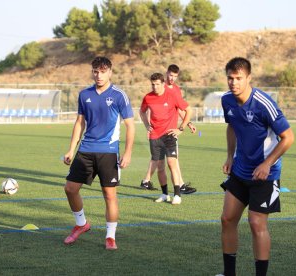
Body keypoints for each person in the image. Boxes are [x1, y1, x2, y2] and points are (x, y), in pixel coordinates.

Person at [218, 57, 294, 276]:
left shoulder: (263, 103)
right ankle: (229, 273)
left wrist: (266, 163)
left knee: (256, 223)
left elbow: (288, 137)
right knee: (227, 219)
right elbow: (231, 126)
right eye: (230, 78)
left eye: (238, 78)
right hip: (240, 170)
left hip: (266, 175)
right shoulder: (227, 100)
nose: (234, 83)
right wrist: (230, 157)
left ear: (249, 78)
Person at [62, 56, 135, 250]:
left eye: (103, 71)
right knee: (70, 189)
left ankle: (110, 236)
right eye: (95, 71)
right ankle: (81, 224)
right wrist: (71, 149)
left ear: (110, 72)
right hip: (85, 150)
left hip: (108, 152)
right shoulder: (84, 94)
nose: (99, 75)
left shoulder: (119, 95)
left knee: (109, 195)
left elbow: (130, 126)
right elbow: (80, 122)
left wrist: (127, 153)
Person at [140, 64, 197, 194]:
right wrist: (148, 125)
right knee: (160, 161)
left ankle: (148, 180)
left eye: (175, 76)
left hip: (170, 131)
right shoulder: (158, 89)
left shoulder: (175, 90)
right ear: (166, 74)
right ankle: (175, 187)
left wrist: (187, 124)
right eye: (170, 75)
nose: (172, 78)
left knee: (170, 161)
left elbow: (181, 109)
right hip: (157, 132)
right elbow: (149, 110)